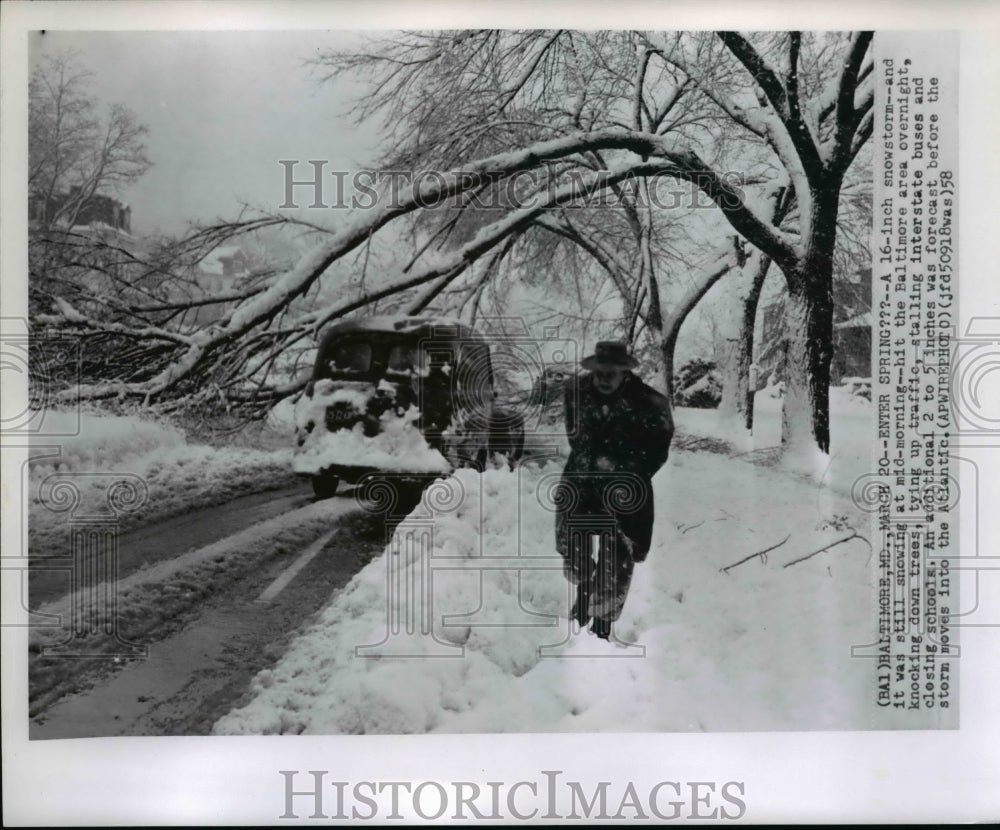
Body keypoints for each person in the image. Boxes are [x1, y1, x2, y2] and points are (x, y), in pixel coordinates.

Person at [555, 341, 674, 639]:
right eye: (599, 372)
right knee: (577, 543)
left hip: (626, 488)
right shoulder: (576, 392)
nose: (603, 378)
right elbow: (575, 434)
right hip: (582, 480)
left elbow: (657, 451)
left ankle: (602, 625)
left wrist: (623, 470)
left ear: (625, 371)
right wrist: (592, 463)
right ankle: (582, 602)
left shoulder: (651, 403)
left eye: (611, 372)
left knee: (617, 552)